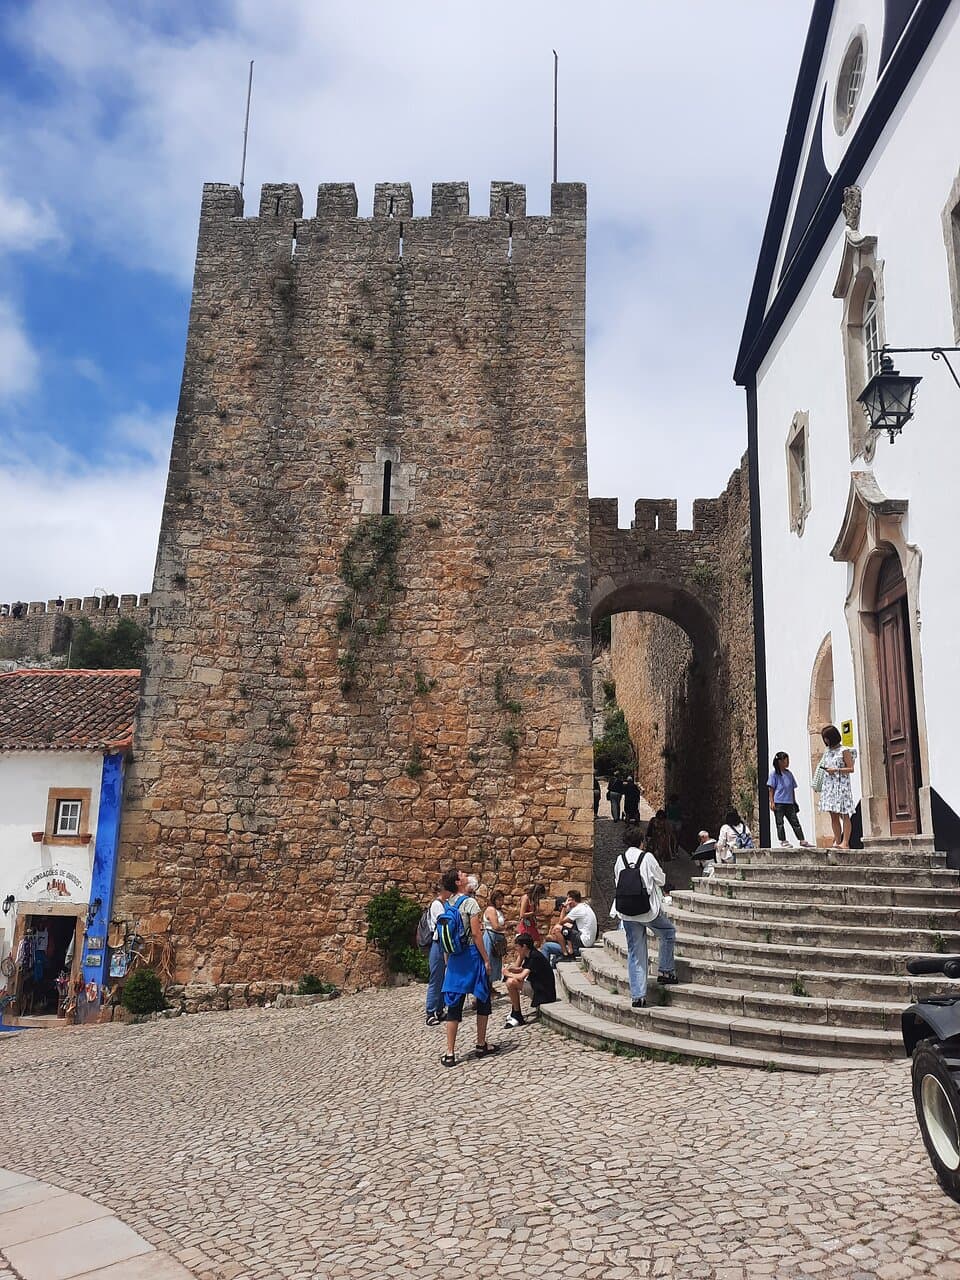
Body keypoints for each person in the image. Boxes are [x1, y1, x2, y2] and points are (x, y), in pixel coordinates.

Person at [439, 868, 497, 1066]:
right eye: (462, 874)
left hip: (455, 958)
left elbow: (447, 934)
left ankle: (450, 1052)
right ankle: (481, 1044)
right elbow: (476, 934)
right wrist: (486, 959)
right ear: (458, 882)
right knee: (482, 996)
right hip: (471, 955)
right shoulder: (470, 903)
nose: (465, 875)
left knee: (454, 1003)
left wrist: (447, 960)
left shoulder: (448, 903)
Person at [613, 839, 677, 1008]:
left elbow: (617, 881)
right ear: (641, 842)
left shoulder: (620, 859)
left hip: (627, 912)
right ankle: (666, 971)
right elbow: (661, 879)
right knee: (668, 933)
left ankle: (638, 996)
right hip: (647, 910)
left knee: (635, 952)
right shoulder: (647, 857)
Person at [504, 933, 557, 1027]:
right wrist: (512, 969)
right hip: (539, 988)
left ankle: (517, 1014)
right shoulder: (530, 954)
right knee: (512, 980)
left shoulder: (535, 957)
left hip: (544, 993)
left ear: (524, 946)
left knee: (511, 982)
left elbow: (522, 976)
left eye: (517, 946)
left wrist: (507, 974)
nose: (516, 949)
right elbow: (523, 969)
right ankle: (515, 1011)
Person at [818, 724, 857, 850]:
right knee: (833, 815)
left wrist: (836, 770)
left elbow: (851, 768)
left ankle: (845, 842)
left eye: (826, 737)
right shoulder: (827, 751)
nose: (825, 740)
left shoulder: (844, 750)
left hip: (841, 785)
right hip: (830, 786)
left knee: (844, 814)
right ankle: (837, 840)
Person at [767, 751, 813, 848]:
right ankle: (783, 840)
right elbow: (771, 789)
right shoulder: (774, 774)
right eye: (786, 761)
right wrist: (772, 802)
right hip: (779, 802)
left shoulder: (789, 774)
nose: (787, 763)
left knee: (795, 822)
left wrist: (794, 801)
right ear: (780, 761)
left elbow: (792, 788)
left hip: (789, 802)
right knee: (780, 823)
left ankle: (802, 840)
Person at [424, 881, 449, 1026]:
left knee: (442, 978)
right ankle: (430, 1012)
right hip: (438, 944)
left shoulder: (444, 904)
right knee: (436, 978)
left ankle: (440, 1009)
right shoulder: (437, 905)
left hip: (442, 943)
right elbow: (443, 923)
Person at [548, 890, 598, 959]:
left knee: (557, 929)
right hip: (589, 940)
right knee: (567, 928)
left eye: (568, 899)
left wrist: (564, 907)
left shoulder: (577, 909)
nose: (567, 902)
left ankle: (565, 954)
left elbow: (560, 922)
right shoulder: (584, 906)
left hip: (584, 941)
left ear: (572, 900)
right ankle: (570, 951)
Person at [482, 889, 507, 991]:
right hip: (491, 937)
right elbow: (495, 926)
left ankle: (490, 986)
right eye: (499, 900)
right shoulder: (491, 910)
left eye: (502, 900)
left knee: (495, 962)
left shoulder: (499, 911)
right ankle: (485, 987)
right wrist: (507, 927)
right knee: (489, 961)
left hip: (497, 938)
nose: (501, 902)